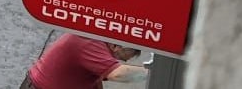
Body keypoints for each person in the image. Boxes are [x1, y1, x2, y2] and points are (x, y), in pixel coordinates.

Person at [21, 34, 149, 89]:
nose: (121, 60)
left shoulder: (96, 43)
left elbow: (96, 80)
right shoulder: (91, 42)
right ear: (116, 46)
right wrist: (153, 74)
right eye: (121, 57)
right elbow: (118, 73)